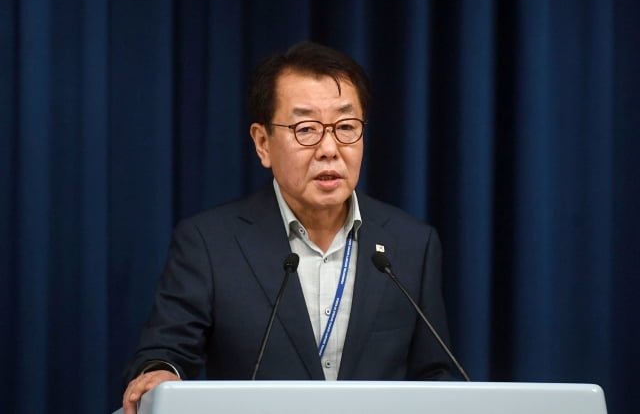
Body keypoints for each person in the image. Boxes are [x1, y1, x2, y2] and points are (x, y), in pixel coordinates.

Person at [122, 41, 453, 414]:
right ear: (263, 143)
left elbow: (436, 374)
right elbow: (165, 352)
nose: (329, 149)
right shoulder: (210, 243)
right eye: (306, 129)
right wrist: (159, 372)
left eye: (346, 127)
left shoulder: (411, 244)